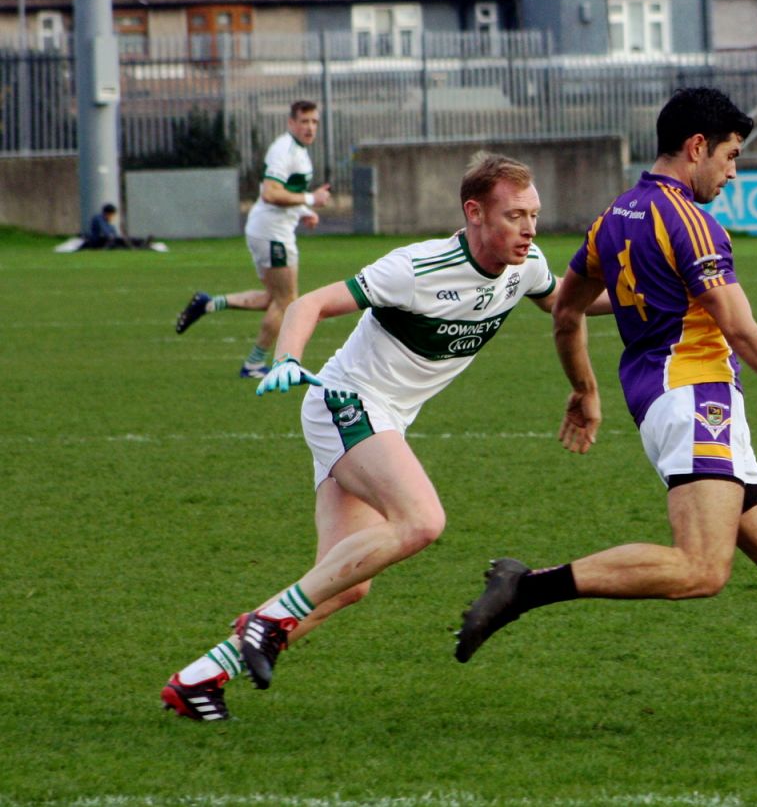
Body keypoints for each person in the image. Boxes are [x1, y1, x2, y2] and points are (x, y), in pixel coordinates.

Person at [453, 87, 757, 736]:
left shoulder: (613, 218)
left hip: (678, 403)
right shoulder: (691, 222)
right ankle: (526, 587)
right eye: (731, 156)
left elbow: (565, 312)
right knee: (702, 568)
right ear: (696, 148)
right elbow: (740, 330)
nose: (733, 171)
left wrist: (586, 389)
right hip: (696, 398)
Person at [161, 153, 611, 721]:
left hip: (384, 417)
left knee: (346, 583)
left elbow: (568, 304)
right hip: (345, 402)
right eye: (514, 215)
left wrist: (653, 296)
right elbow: (310, 302)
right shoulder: (417, 268)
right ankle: (268, 620)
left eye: (534, 214)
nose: (528, 229)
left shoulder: (528, 266)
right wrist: (288, 357)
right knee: (422, 520)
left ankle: (199, 679)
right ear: (473, 212)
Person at [174, 99, 332, 379]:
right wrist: (311, 198)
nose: (310, 127)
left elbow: (283, 192)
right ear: (291, 123)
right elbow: (270, 193)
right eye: (304, 121)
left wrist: (304, 210)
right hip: (272, 234)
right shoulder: (284, 150)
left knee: (273, 298)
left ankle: (209, 303)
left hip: (271, 230)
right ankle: (254, 364)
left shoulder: (299, 152)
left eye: (314, 122)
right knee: (287, 302)